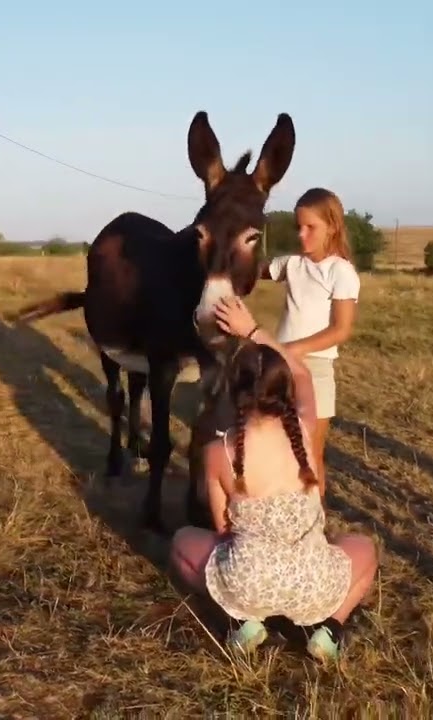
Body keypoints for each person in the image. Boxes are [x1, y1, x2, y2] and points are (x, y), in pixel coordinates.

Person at [168, 341, 379, 662]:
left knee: (181, 542)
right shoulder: (306, 432)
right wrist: (253, 330)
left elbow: (223, 527)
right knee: (366, 549)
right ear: (286, 390)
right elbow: (304, 372)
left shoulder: (217, 453)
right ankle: (331, 630)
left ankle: (243, 622)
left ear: (235, 390)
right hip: (314, 584)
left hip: (247, 582)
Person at [212, 187, 360, 497]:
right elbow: (254, 272)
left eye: (311, 227)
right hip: (277, 367)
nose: (302, 235)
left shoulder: (340, 272)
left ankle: (313, 521)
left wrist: (294, 350)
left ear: (332, 226)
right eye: (298, 227)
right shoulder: (291, 264)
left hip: (314, 367)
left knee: (310, 454)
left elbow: (340, 329)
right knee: (270, 442)